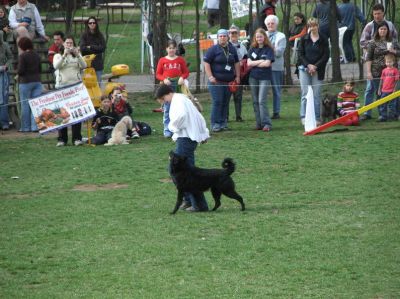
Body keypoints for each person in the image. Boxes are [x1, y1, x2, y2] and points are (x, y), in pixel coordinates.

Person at [156, 84, 210, 212]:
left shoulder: (178, 101)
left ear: (167, 94)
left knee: (181, 173)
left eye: (163, 100)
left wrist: (172, 127)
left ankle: (198, 204)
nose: (164, 103)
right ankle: (189, 201)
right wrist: (204, 134)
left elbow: (181, 118)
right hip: (187, 138)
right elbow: (198, 116)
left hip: (186, 139)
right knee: (186, 173)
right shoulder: (182, 99)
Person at [359, 3, 398, 120]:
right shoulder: (369, 26)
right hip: (374, 66)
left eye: (379, 13)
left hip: (389, 67)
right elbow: (362, 42)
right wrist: (375, 44)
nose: (376, 16)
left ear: (383, 13)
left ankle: (390, 113)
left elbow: (395, 38)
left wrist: (391, 49)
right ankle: (367, 112)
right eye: (375, 14)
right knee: (370, 89)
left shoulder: (390, 25)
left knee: (391, 89)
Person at [203, 28, 240, 132]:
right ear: (218, 38)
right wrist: (210, 76)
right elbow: (206, 63)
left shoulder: (232, 49)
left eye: (224, 36)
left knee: (225, 102)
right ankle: (215, 123)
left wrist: (238, 76)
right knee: (217, 101)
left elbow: (236, 63)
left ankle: (223, 122)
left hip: (229, 82)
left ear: (227, 37)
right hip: (216, 82)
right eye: (220, 36)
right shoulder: (213, 49)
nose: (223, 38)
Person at [53, 35, 87, 146]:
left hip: (75, 88)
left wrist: (78, 55)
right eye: (67, 43)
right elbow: (56, 66)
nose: (69, 45)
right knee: (63, 114)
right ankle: (62, 139)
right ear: (63, 44)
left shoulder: (77, 55)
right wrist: (64, 55)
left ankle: (77, 138)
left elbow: (84, 65)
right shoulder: (58, 55)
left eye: (71, 43)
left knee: (76, 113)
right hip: (62, 88)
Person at [296, 18, 330, 125]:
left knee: (316, 95)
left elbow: (326, 55)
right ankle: (304, 116)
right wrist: (308, 65)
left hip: (318, 70)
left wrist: (315, 66)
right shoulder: (304, 39)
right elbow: (300, 54)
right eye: (310, 26)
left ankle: (316, 117)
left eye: (314, 25)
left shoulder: (324, 39)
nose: (313, 28)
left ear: (318, 26)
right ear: (308, 27)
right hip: (304, 69)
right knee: (305, 93)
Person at [365, 22, 400, 122]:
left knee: (395, 94)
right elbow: (368, 58)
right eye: (381, 29)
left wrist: (394, 51)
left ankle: (395, 114)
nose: (383, 31)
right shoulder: (372, 42)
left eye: (385, 29)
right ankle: (382, 115)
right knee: (380, 94)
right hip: (377, 72)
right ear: (377, 30)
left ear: (388, 30)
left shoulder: (393, 41)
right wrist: (368, 72)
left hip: (393, 73)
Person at [155, 39, 189, 138]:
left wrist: (182, 77)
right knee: (167, 108)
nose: (171, 50)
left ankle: (178, 129)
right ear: (166, 49)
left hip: (178, 86)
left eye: (173, 48)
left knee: (178, 108)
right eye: (170, 48)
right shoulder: (162, 60)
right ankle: (167, 130)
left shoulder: (180, 60)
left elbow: (186, 72)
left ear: (176, 49)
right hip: (166, 87)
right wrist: (164, 79)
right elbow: (158, 74)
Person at [247, 28, 274, 132]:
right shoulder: (252, 49)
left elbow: (268, 64)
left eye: (261, 36)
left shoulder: (269, 49)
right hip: (253, 78)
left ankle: (266, 124)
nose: (259, 38)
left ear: (264, 37)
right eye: (257, 37)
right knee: (255, 101)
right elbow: (249, 63)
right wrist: (261, 61)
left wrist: (256, 63)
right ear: (255, 38)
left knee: (261, 101)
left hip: (265, 78)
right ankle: (259, 123)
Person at [17, 36, 41, 132]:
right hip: (37, 81)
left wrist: (17, 74)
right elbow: (40, 69)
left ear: (22, 46)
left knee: (25, 105)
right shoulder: (37, 55)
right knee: (35, 105)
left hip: (25, 82)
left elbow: (20, 70)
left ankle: (25, 128)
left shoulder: (22, 56)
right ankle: (35, 127)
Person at [265, 15, 286, 119]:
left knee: (276, 90)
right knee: (263, 90)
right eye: (268, 24)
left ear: (276, 24)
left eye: (272, 23)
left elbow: (279, 52)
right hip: (263, 67)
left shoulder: (281, 36)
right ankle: (263, 113)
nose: (270, 25)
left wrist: (268, 46)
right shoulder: (262, 34)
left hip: (276, 67)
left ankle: (276, 112)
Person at [227, 24, 247, 122]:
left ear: (238, 34)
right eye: (231, 33)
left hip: (239, 75)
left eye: (235, 32)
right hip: (227, 74)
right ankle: (225, 117)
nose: (233, 34)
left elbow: (246, 59)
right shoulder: (225, 46)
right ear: (228, 34)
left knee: (238, 96)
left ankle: (238, 116)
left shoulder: (242, 46)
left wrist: (243, 62)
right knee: (226, 97)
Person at [79, 16, 106, 86]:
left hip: (98, 65)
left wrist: (90, 46)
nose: (92, 24)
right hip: (87, 66)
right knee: (87, 86)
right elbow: (82, 48)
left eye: (94, 23)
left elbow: (103, 48)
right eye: (90, 23)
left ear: (96, 24)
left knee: (97, 86)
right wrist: (96, 49)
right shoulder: (84, 35)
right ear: (88, 24)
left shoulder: (100, 35)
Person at [377, 54, 400, 121]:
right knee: (382, 104)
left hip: (392, 91)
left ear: (393, 62)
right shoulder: (384, 71)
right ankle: (383, 116)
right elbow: (381, 80)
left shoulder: (395, 70)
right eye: (387, 62)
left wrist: (394, 90)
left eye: (390, 62)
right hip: (384, 91)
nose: (388, 63)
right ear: (385, 62)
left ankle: (391, 116)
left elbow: (397, 81)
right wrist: (379, 89)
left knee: (392, 105)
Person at [0, 29, 12, 130]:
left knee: (4, 98)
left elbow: (11, 57)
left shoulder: (5, 45)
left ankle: (4, 123)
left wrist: (6, 66)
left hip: (3, 75)